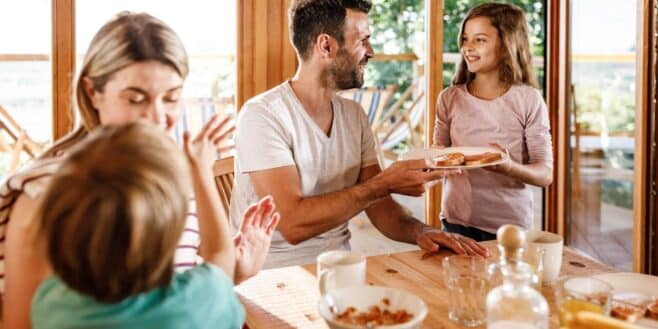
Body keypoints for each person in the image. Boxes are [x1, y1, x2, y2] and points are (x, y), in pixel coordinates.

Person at [1, 12, 277, 328]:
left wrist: (236, 270)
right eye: (135, 98)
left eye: (171, 99)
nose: (157, 117)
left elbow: (171, 295)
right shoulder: (45, 193)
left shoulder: (173, 176)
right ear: (93, 93)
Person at [230, 0, 488, 268]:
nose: (371, 51)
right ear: (326, 46)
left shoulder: (353, 116)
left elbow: (380, 207)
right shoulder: (262, 116)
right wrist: (383, 183)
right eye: (363, 40)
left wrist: (421, 232)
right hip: (270, 276)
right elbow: (292, 224)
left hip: (341, 268)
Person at [30, 122, 277, 328]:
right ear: (169, 242)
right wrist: (201, 172)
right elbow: (220, 258)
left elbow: (217, 263)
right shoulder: (192, 303)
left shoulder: (50, 300)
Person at [433, 3, 553, 241]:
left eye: (480, 40)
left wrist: (508, 166)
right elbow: (438, 155)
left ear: (507, 44)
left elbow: (545, 174)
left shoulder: (528, 100)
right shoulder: (449, 98)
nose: (468, 48)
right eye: (465, 39)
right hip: (454, 221)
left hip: (509, 230)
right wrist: (434, 160)